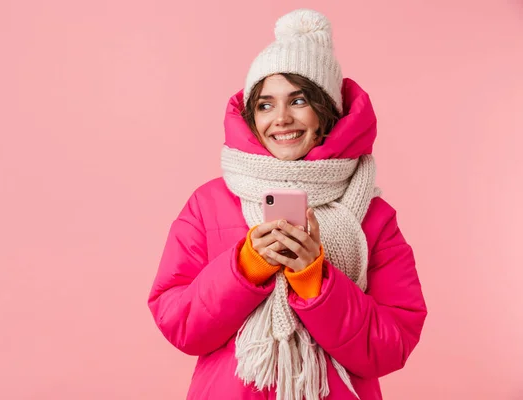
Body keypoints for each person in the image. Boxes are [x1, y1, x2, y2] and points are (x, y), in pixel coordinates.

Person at [148, 8, 427, 400]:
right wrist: (245, 268)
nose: (280, 118)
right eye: (265, 104)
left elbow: (392, 344)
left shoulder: (372, 215)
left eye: (298, 101)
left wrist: (317, 284)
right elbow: (178, 322)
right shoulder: (208, 203)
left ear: (326, 112)